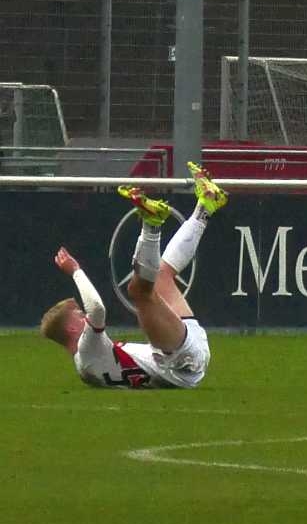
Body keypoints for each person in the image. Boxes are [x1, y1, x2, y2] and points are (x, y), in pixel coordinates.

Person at [40, 163, 227, 389]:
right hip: (180, 363)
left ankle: (206, 205)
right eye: (79, 315)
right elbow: (97, 309)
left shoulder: (86, 364)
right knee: (138, 291)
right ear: (71, 329)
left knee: (161, 276)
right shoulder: (87, 348)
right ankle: (151, 225)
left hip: (182, 354)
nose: (84, 316)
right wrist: (75, 271)